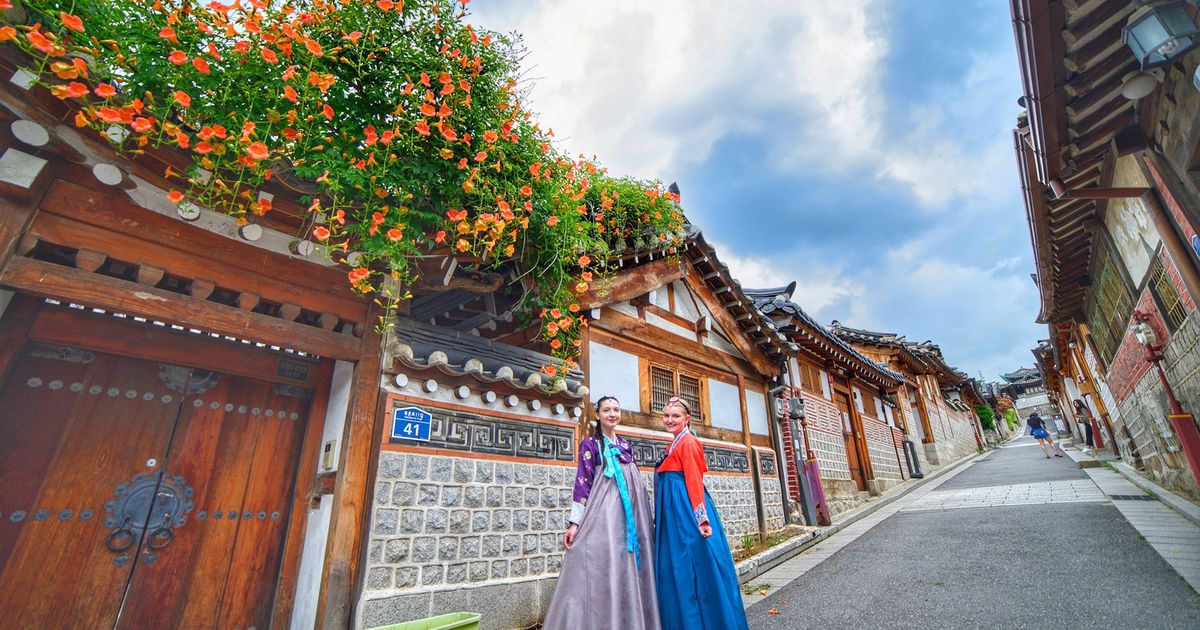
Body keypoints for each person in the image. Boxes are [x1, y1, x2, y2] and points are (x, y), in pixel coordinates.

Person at [542, 396, 659, 630]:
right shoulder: (590, 445)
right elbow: (582, 483)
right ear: (597, 415)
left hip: (630, 517)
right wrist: (575, 523)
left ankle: (629, 620)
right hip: (603, 516)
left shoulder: (625, 445)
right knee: (600, 562)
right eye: (607, 410)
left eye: (616, 409)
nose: (612, 414)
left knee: (627, 565)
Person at [653, 397, 749, 630]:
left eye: (675, 416)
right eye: (666, 415)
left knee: (692, 563)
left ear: (687, 419)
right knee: (680, 565)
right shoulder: (675, 442)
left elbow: (694, 481)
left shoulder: (688, 442)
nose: (669, 420)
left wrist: (701, 519)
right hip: (674, 512)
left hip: (685, 512)